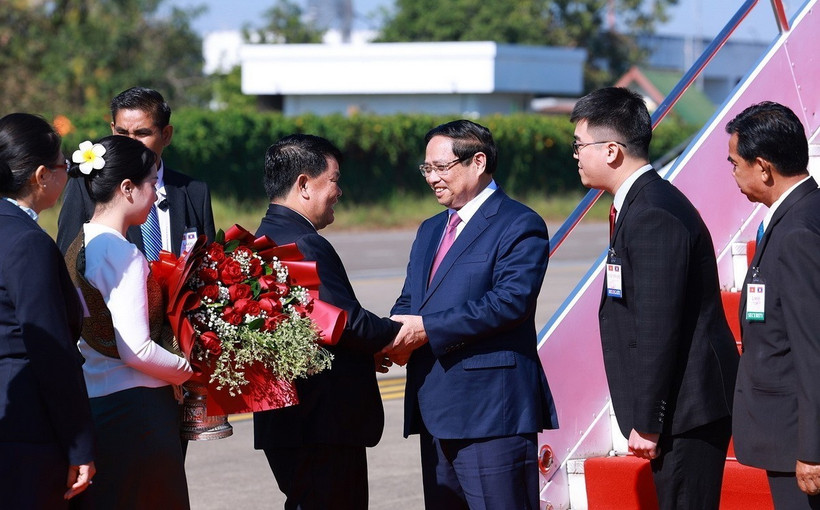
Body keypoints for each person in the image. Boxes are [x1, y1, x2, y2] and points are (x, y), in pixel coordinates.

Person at [569, 87, 739, 509]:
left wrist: (648, 420)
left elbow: (658, 326)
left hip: (685, 412)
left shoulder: (652, 214)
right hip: (679, 410)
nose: (575, 155)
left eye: (579, 145)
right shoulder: (638, 204)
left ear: (611, 151)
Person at [380, 119, 557, 509]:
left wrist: (425, 330)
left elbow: (509, 302)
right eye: (427, 169)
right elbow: (412, 299)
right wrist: (390, 337)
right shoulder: (429, 229)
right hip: (435, 407)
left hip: (492, 413)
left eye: (441, 168)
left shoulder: (518, 223)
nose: (431, 179)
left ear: (478, 162)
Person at [252, 134, 401, 510]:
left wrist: (365, 354)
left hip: (287, 421)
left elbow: (305, 330)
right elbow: (343, 322)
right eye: (334, 180)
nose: (339, 191)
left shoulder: (260, 239)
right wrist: (401, 332)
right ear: (304, 184)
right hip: (321, 424)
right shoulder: (302, 242)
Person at [64, 135, 193, 509]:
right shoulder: (122, 253)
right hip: (136, 411)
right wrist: (187, 370)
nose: (155, 194)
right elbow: (136, 350)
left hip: (97, 401)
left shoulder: (82, 241)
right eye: (152, 184)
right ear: (127, 188)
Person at [726, 101, 820, 509]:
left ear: (763, 167)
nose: (733, 174)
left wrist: (812, 450)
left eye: (735, 163)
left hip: (796, 439)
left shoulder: (798, 231)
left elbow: (812, 348)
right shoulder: (799, 214)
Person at [0, 113, 95, 508]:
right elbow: (51, 351)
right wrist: (79, 445)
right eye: (64, 167)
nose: (67, 176)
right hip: (25, 429)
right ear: (41, 175)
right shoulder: (27, 242)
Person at [57, 86, 215, 258]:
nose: (130, 143)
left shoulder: (194, 192)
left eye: (142, 133)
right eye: (122, 132)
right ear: (112, 129)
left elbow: (209, 265)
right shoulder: (87, 184)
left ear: (166, 134)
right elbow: (67, 260)